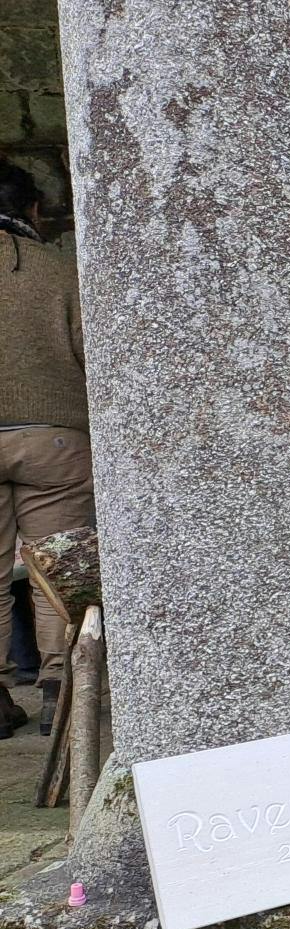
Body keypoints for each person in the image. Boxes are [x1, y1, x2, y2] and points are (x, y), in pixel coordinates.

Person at [0, 159, 91, 739]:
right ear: (33, 209)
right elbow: (96, 357)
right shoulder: (63, 272)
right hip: (54, 439)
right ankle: (61, 690)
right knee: (56, 567)